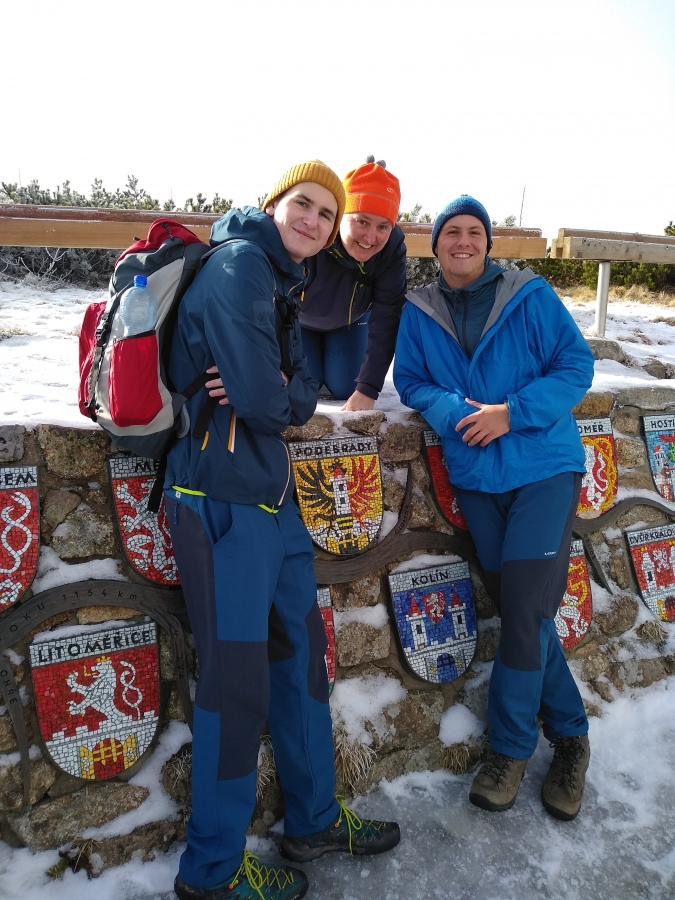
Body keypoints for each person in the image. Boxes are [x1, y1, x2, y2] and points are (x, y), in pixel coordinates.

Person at [164, 160, 400, 900]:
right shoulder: (238, 267)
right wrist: (275, 391)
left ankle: (314, 819)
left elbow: (298, 395)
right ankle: (211, 869)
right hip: (218, 501)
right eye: (303, 203)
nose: (314, 220)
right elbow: (271, 402)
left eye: (327, 214)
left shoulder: (281, 281)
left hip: (271, 499)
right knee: (235, 685)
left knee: (302, 666)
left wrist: (277, 390)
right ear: (274, 204)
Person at [393, 195, 594, 821]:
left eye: (474, 232)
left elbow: (576, 365)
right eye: (451, 232)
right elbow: (412, 381)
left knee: (525, 607)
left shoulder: (530, 296)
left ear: (488, 243)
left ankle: (509, 750)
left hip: (544, 469)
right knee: (523, 611)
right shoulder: (419, 311)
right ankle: (572, 735)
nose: (463, 241)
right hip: (478, 478)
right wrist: (453, 411)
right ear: (436, 246)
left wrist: (512, 413)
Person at [298, 155, 407, 411]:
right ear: (341, 215)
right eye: (362, 221)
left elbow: (388, 314)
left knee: (346, 386)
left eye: (383, 226)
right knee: (305, 384)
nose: (370, 237)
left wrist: (368, 388)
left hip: (351, 322)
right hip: (300, 322)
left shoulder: (391, 247)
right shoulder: (313, 233)